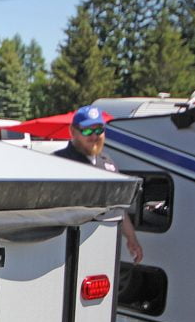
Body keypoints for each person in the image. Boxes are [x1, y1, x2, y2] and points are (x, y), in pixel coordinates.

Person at [55, 105, 143, 263]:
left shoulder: (107, 163)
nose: (94, 136)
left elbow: (118, 207)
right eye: (88, 131)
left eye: (99, 130)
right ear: (73, 131)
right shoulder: (59, 162)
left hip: (101, 245)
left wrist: (131, 239)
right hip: (64, 247)